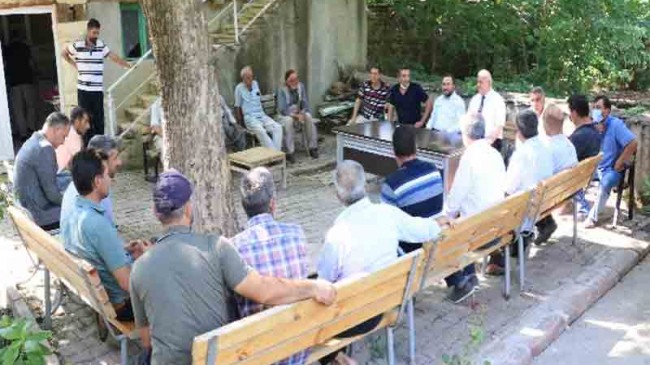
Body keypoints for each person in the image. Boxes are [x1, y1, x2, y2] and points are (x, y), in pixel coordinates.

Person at [129, 170, 336, 365]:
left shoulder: (139, 269)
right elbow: (264, 291)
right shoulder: (217, 247)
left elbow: (147, 341)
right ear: (189, 208)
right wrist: (313, 287)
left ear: (155, 212)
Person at [318, 160, 445, 365]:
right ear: (366, 186)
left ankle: (335, 357)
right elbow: (423, 230)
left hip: (352, 318)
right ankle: (338, 357)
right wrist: (439, 222)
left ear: (338, 195)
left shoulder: (336, 236)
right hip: (387, 302)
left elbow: (324, 282)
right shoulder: (388, 214)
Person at [231, 167, 310, 365]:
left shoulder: (234, 248)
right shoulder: (297, 233)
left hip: (259, 355)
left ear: (244, 207)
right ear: (273, 204)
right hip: (299, 348)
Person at [62, 149, 148, 322]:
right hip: (121, 305)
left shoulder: (73, 213)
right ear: (97, 181)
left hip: (98, 293)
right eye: (107, 175)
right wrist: (149, 260)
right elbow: (127, 283)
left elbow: (93, 250)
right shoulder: (97, 223)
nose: (111, 180)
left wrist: (123, 251)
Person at [445, 114, 506, 300]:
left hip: (478, 233)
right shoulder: (495, 154)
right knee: (465, 216)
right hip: (498, 227)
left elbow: (454, 201)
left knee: (445, 230)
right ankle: (470, 274)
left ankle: (463, 280)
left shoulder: (469, 158)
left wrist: (444, 216)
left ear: (465, 134)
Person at [487, 110, 553, 274]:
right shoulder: (545, 148)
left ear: (519, 131)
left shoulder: (521, 154)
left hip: (522, 214)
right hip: (540, 207)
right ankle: (514, 248)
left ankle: (497, 260)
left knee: (488, 206)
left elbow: (507, 189)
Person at [62, 19, 131, 145]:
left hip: (97, 91)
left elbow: (112, 57)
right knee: (84, 121)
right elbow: (64, 53)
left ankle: (99, 148)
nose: (95, 36)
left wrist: (127, 65)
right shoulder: (77, 45)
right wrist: (74, 65)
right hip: (83, 91)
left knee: (98, 122)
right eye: (94, 33)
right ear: (88, 31)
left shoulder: (100, 45)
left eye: (97, 33)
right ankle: (87, 148)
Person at [380, 125, 444, 254]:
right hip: (438, 242)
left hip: (412, 252)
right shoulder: (433, 170)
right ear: (416, 147)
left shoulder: (391, 185)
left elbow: (387, 225)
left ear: (393, 151)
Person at [584, 95, 638, 228]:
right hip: (593, 167)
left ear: (607, 111)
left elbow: (633, 143)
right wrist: (594, 131)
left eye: (599, 108)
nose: (596, 110)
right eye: (594, 107)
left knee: (605, 183)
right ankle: (578, 208)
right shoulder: (592, 124)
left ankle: (592, 217)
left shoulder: (615, 124)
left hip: (610, 169)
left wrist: (619, 162)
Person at [13, 112, 71, 231]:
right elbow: (52, 195)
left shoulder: (34, 140)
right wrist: (74, 202)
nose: (63, 142)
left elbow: (50, 178)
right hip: (41, 214)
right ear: (56, 129)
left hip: (30, 206)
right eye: (64, 136)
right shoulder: (44, 150)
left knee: (71, 179)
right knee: (85, 210)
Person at [534, 104, 578, 245]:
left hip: (550, 196)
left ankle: (521, 241)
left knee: (523, 192)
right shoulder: (569, 144)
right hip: (568, 191)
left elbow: (539, 178)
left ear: (544, 124)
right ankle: (547, 223)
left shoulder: (546, 148)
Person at [61, 135, 122, 226]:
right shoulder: (93, 190)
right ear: (101, 160)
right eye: (115, 158)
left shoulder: (82, 182)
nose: (119, 162)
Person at [567, 95, 602, 215]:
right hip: (591, 174)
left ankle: (581, 205)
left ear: (575, 113)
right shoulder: (596, 128)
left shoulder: (579, 137)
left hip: (580, 178)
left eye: (570, 112)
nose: (569, 116)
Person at [234, 66, 283, 150]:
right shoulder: (239, 88)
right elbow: (237, 107)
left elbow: (259, 99)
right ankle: (275, 155)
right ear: (243, 78)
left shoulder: (255, 84)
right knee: (261, 131)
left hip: (262, 115)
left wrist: (265, 116)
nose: (251, 79)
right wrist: (241, 124)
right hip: (250, 119)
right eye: (248, 77)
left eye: (251, 76)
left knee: (278, 128)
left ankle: (274, 155)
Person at [277, 69, 319, 162]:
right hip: (285, 115)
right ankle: (290, 152)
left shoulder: (301, 87)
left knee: (308, 116)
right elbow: (282, 109)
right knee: (289, 121)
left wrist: (302, 113)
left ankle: (313, 147)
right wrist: (295, 116)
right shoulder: (282, 90)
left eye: (296, 79)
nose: (294, 82)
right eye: (291, 80)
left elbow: (305, 104)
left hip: (299, 113)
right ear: (287, 81)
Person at [5, 31, 38, 139]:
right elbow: (31, 63)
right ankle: (31, 128)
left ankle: (23, 133)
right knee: (30, 106)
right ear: (20, 37)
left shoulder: (7, 49)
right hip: (27, 80)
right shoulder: (25, 47)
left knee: (18, 109)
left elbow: (4, 65)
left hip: (14, 82)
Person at [467, 70, 506, 152]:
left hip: (492, 142)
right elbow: (468, 121)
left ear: (489, 82)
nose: (478, 85)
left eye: (481, 82)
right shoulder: (474, 99)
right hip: (474, 142)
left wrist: (488, 142)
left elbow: (499, 125)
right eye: (478, 82)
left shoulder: (497, 100)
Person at [56, 106, 91, 173]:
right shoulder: (72, 135)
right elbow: (78, 164)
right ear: (77, 121)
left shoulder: (71, 132)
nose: (88, 126)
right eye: (85, 122)